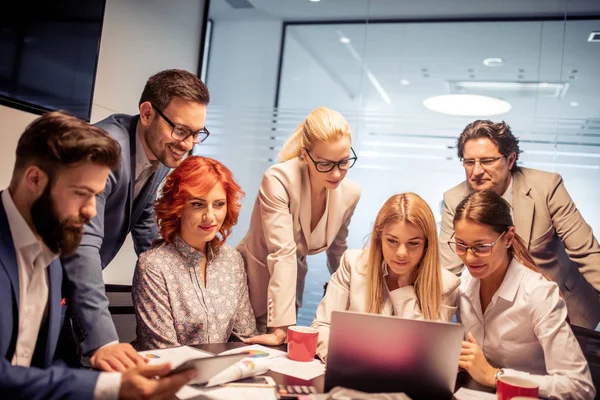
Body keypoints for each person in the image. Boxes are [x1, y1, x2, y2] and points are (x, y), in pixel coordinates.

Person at [0, 112, 196, 399]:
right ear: (34, 179)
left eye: (97, 195)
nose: (92, 211)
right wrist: (109, 387)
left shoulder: (53, 248)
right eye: (81, 193)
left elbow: (45, 364)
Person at [61, 69, 212, 370]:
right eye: (181, 130)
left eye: (197, 134)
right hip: (44, 277)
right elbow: (82, 245)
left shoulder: (158, 154)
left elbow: (143, 222)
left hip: (66, 289)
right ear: (146, 113)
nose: (188, 144)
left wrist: (177, 278)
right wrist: (103, 340)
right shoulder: (104, 149)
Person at [439, 119, 600, 329]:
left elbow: (587, 253)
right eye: (469, 162)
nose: (476, 172)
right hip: (499, 318)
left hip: (565, 307)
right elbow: (449, 272)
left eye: (487, 161)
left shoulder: (546, 187)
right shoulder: (454, 198)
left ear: (510, 159)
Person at [452, 190, 595, 399]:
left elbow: (580, 387)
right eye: (461, 245)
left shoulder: (539, 295)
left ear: (508, 237)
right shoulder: (464, 282)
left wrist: (495, 376)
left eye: (481, 247)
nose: (470, 257)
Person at [239, 106, 361, 345]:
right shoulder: (278, 179)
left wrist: (356, 301)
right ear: (305, 155)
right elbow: (283, 252)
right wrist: (281, 328)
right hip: (252, 280)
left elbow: (338, 252)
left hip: (290, 285)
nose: (336, 174)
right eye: (325, 164)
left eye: (344, 162)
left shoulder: (350, 193)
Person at [310, 193, 460, 362]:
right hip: (351, 373)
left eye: (413, 243)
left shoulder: (446, 285)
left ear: (426, 245)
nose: (401, 253)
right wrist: (350, 361)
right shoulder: (352, 264)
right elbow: (321, 327)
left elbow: (424, 355)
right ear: (378, 238)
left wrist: (404, 290)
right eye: (392, 241)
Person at [132, 156, 257, 350]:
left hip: (222, 374)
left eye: (219, 204)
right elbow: (163, 351)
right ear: (178, 208)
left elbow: (245, 337)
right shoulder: (153, 266)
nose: (210, 216)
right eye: (198, 204)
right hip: (169, 376)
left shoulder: (232, 260)